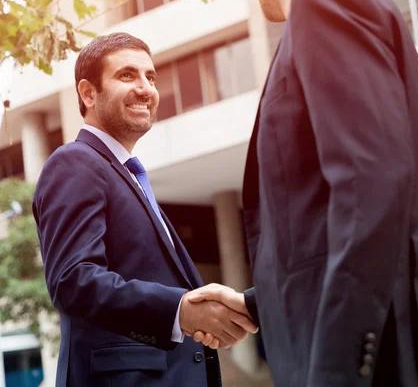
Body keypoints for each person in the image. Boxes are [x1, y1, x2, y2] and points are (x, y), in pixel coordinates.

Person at [190, 0, 418, 386]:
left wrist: (335, 371)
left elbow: (371, 187)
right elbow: (335, 214)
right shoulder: (344, 1)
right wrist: (259, 304)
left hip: (378, 364)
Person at [32, 32, 257, 387]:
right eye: (127, 75)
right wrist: (180, 311)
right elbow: (73, 280)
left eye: (150, 77)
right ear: (88, 93)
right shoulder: (75, 162)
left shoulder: (128, 176)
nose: (146, 88)